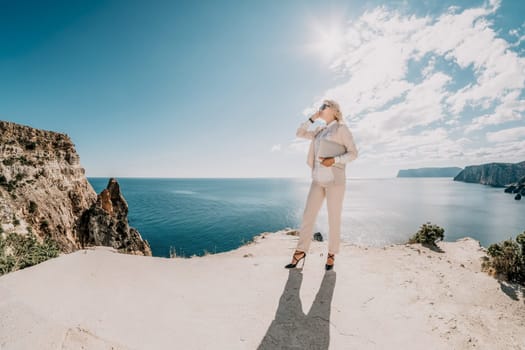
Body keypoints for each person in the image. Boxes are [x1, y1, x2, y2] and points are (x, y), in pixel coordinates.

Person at [285, 99, 358, 271]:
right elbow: (299, 132)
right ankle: (300, 251)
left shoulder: (341, 129)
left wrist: (334, 159)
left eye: (324, 106)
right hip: (317, 180)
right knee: (308, 216)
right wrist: (313, 118)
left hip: (335, 181)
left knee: (334, 218)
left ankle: (331, 254)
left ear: (334, 109)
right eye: (320, 106)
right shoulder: (318, 130)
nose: (321, 108)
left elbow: (353, 153)